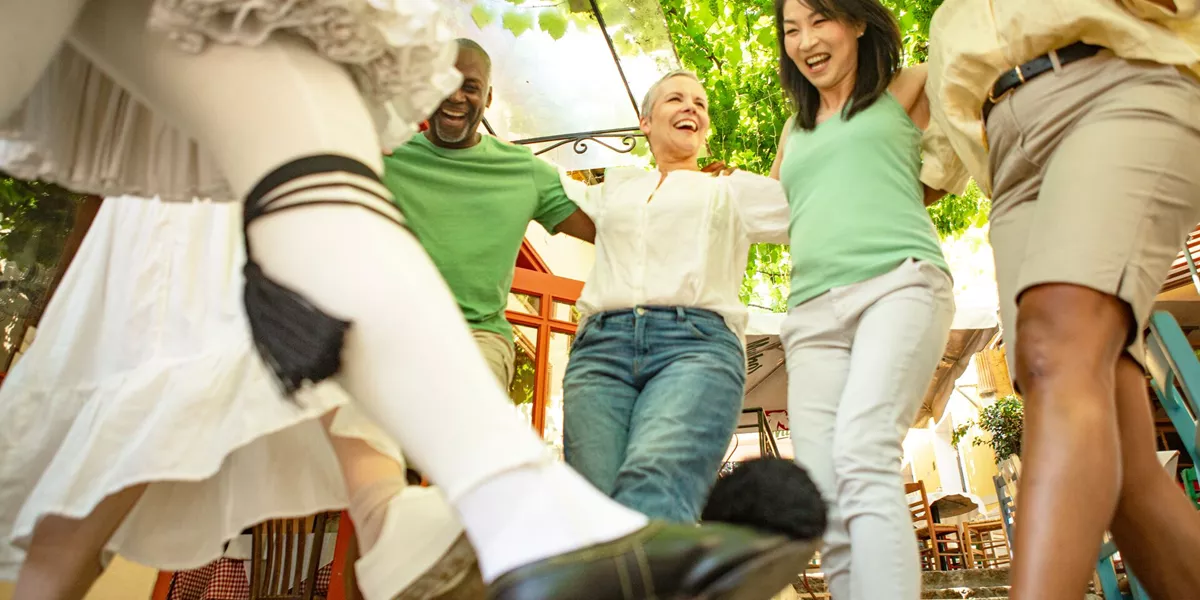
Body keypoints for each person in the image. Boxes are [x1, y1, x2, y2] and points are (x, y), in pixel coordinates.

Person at [0, 1, 819, 599]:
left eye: (474, 86)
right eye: (674, 98)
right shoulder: (603, 188)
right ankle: (488, 514)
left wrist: (813, 119)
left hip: (627, 340)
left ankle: (476, 514)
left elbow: (779, 206)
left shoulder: (669, 187)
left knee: (86, 487)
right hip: (209, 255)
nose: (457, 95)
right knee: (98, 455)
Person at [921, 1, 1200, 598]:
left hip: (1117, 86)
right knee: (1124, 478)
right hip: (1008, 168)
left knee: (1054, 345)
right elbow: (930, 169)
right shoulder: (947, 23)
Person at [768, 0, 956, 597]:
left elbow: (960, 144)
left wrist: (926, 181)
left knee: (863, 449)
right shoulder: (794, 130)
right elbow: (768, 211)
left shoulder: (910, 85)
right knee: (824, 492)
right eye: (791, 30)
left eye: (820, 20)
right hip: (810, 314)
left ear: (855, 22)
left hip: (898, 285)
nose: (805, 41)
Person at [559, 70, 792, 524]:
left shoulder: (731, 188)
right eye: (675, 99)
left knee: (656, 485)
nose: (691, 107)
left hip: (695, 348)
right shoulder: (614, 189)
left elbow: (809, 205)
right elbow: (538, 185)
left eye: (700, 104)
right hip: (600, 351)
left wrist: (792, 130)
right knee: (593, 507)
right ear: (645, 122)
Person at [383, 37, 595, 390]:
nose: (455, 96)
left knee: (468, 398)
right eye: (445, 83)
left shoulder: (524, 171)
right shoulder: (385, 154)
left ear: (488, 98)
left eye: (470, 87)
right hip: (390, 329)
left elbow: (611, 227)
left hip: (477, 336)